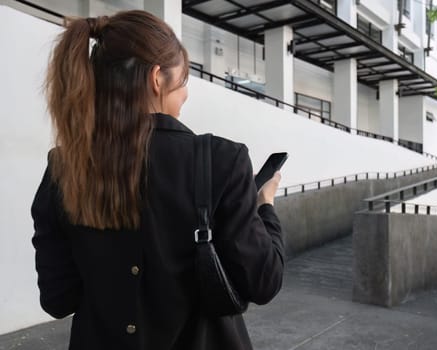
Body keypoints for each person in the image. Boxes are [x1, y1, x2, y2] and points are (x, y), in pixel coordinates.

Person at [31, 10, 284, 350]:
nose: (185, 95)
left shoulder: (65, 166)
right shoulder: (223, 162)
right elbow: (264, 281)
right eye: (183, 82)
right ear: (156, 79)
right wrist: (264, 207)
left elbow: (58, 298)